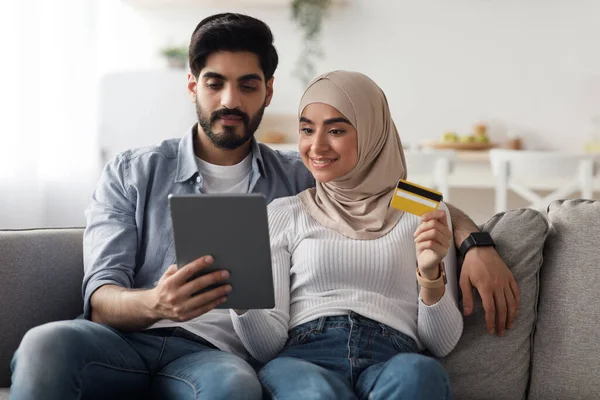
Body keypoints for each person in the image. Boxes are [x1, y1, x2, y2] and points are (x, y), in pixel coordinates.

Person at [10, 12, 518, 400]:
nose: (230, 99)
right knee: (44, 343)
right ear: (193, 85)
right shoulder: (134, 170)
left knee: (233, 385)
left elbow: (410, 196)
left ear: (268, 91)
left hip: (215, 356)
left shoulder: (303, 177)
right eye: (214, 82)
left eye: (247, 84)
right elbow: (100, 298)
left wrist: (474, 242)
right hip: (126, 340)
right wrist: (155, 304)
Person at [231, 70, 462, 399]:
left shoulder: (423, 205)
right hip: (304, 357)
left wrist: (430, 275)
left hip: (392, 357)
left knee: (421, 373)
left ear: (371, 132)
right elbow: (266, 346)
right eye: (307, 129)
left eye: (336, 130)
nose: (317, 145)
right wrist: (240, 298)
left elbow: (441, 343)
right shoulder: (284, 212)